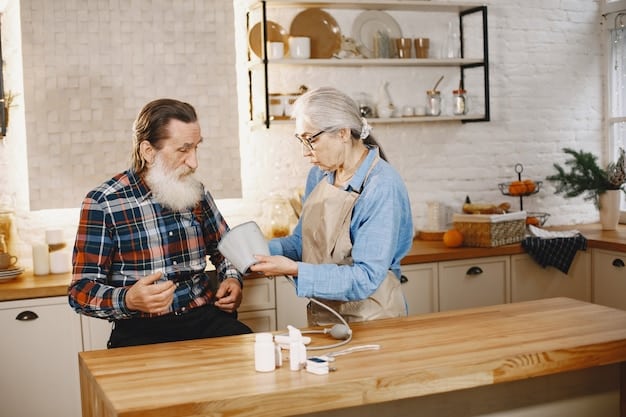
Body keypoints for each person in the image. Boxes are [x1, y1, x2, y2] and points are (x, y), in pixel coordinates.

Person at [68, 98, 252, 348]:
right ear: (148, 152)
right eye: (183, 150)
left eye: (196, 148)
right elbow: (80, 291)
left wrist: (231, 278)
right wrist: (128, 299)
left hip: (207, 320)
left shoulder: (196, 192)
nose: (194, 162)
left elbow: (228, 249)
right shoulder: (103, 203)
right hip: (141, 332)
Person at [250, 87, 414, 325]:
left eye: (311, 139)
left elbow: (364, 278)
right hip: (324, 317)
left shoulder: (381, 186)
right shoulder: (319, 176)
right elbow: (301, 242)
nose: (305, 152)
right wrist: (256, 251)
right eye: (301, 140)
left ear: (343, 133)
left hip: (375, 320)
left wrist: (295, 270)